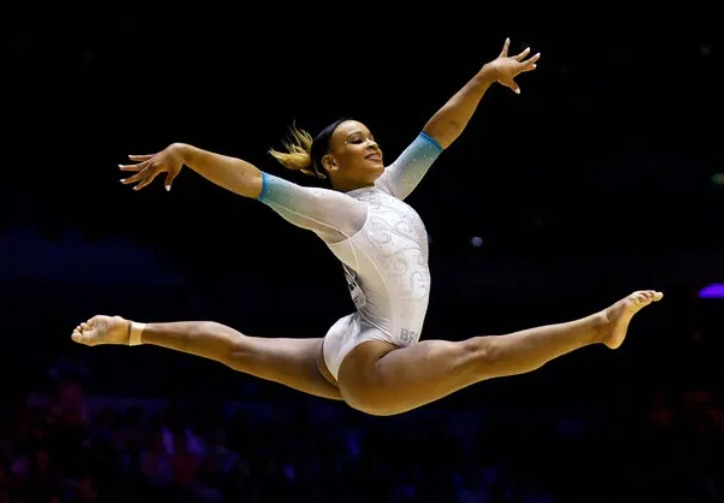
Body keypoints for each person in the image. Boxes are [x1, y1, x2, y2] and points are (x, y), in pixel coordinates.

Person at [72, 39, 662, 416]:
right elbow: (253, 181)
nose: (373, 141)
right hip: (373, 364)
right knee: (479, 354)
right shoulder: (334, 210)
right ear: (331, 165)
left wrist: (482, 79)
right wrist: (187, 152)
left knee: (236, 349)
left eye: (371, 134)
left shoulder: (384, 194)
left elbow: (436, 137)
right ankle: (597, 327)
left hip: (352, 343)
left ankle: (131, 331)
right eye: (357, 140)